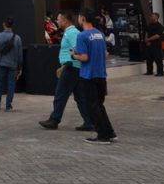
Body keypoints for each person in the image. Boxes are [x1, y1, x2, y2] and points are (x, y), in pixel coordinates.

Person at [39, 11, 94, 131]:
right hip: (75, 67)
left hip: (70, 67)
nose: (57, 22)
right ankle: (89, 122)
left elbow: (78, 49)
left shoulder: (72, 33)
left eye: (59, 20)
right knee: (80, 97)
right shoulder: (71, 32)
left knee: (61, 94)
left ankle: (54, 120)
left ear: (65, 21)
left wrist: (67, 63)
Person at [73, 10, 116, 145]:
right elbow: (105, 53)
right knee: (99, 105)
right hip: (101, 74)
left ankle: (102, 136)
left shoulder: (82, 36)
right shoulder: (100, 34)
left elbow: (84, 57)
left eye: (79, 17)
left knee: (92, 107)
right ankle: (110, 132)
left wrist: (74, 55)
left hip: (88, 75)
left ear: (83, 18)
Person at [0, 18, 23, 111]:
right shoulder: (17, 38)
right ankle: (8, 106)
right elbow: (20, 55)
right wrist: (20, 67)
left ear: (4, 24)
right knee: (11, 85)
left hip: (1, 64)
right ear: (12, 25)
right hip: (13, 65)